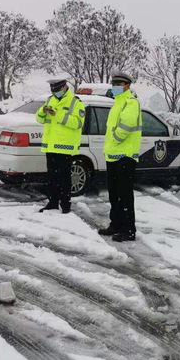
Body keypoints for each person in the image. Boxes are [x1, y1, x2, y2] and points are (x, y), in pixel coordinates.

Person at [97, 70, 142, 242]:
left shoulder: (131, 102)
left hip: (125, 155)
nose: (115, 87)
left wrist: (115, 140)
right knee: (114, 194)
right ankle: (115, 224)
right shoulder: (117, 103)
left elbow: (126, 126)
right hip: (113, 155)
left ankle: (128, 230)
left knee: (124, 195)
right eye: (113, 84)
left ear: (127, 85)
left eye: (118, 84)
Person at [35, 76, 86, 214]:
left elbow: (78, 123)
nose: (54, 92)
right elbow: (39, 119)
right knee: (52, 178)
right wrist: (42, 111)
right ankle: (52, 203)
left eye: (57, 89)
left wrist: (58, 115)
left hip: (65, 147)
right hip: (50, 146)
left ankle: (65, 205)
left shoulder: (75, 102)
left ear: (64, 87)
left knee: (64, 178)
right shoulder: (50, 100)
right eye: (52, 89)